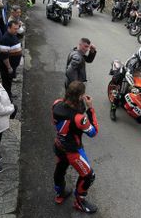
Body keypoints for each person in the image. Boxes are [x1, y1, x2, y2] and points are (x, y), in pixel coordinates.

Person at [52, 81, 100, 213]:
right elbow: (94, 132)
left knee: (60, 169)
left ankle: (60, 194)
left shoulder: (56, 103)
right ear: (80, 97)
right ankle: (79, 202)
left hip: (58, 144)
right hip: (72, 151)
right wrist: (90, 109)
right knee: (89, 175)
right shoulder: (80, 118)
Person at [110, 45, 141, 121]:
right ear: (140, 54)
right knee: (120, 94)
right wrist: (133, 87)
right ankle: (113, 109)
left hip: (136, 74)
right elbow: (128, 74)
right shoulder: (134, 60)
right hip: (126, 74)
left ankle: (140, 106)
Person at [0, 21, 23, 100]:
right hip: (7, 65)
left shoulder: (13, 34)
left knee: (10, 80)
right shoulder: (5, 38)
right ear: (8, 28)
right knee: (6, 82)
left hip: (13, 64)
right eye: (14, 29)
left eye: (17, 28)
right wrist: (9, 67)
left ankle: (9, 94)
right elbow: (4, 56)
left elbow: (21, 34)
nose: (16, 30)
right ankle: (7, 97)